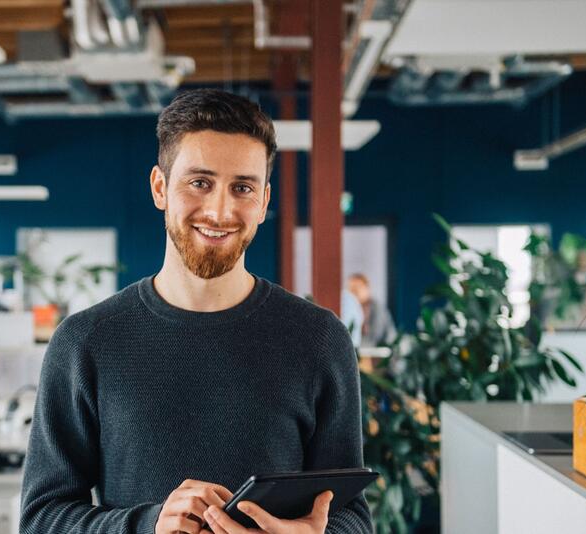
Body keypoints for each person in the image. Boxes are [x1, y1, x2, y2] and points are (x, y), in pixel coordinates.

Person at [20, 89, 372, 534]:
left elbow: (351, 516)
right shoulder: (86, 341)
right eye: (199, 182)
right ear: (160, 187)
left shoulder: (318, 339)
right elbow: (41, 520)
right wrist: (148, 526)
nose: (220, 210)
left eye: (241, 188)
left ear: (263, 202)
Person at [347, 273, 396, 347]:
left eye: (357, 288)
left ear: (367, 288)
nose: (354, 292)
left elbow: (375, 337)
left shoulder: (377, 308)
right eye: (351, 289)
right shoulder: (349, 309)